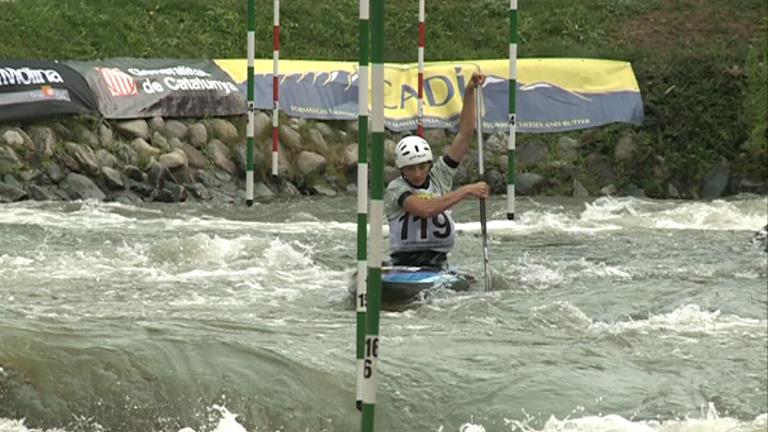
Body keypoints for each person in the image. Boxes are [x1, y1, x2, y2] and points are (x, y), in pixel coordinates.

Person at [384, 72, 489, 268]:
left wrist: (469, 91)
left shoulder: (439, 176)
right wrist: (466, 191)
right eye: (410, 169)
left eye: (421, 167)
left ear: (429, 165)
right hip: (404, 265)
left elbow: (465, 134)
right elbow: (426, 210)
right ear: (401, 170)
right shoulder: (395, 189)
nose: (417, 174)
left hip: (438, 265)